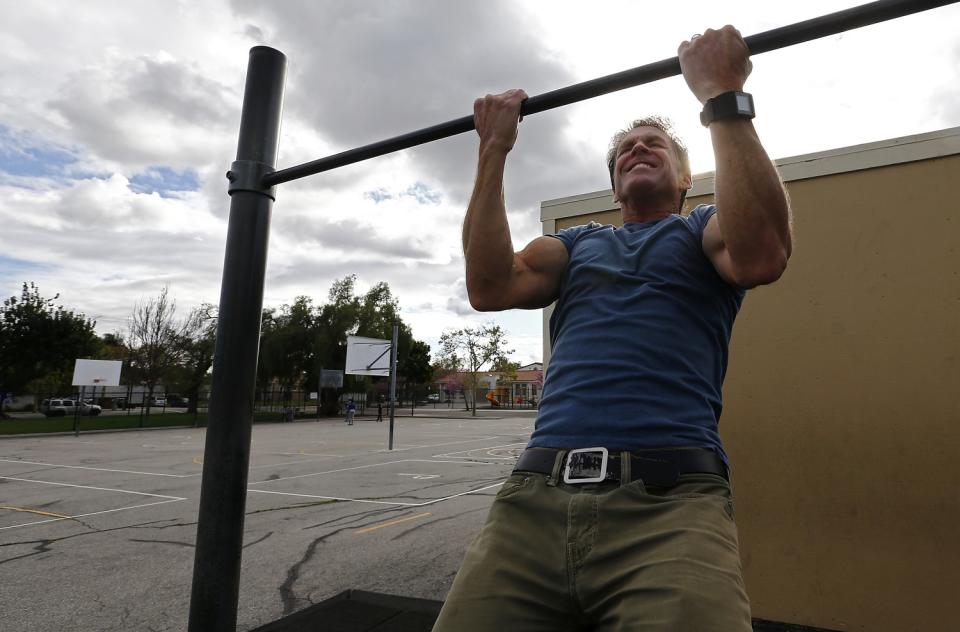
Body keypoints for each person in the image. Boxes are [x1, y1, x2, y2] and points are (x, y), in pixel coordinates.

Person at [433, 26, 792, 632]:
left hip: (670, 505)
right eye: (625, 148)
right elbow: (490, 286)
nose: (637, 149)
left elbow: (762, 255)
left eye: (655, 144)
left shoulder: (700, 231)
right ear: (613, 186)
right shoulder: (577, 246)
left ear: (686, 179)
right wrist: (493, 149)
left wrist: (721, 96)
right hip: (533, 500)